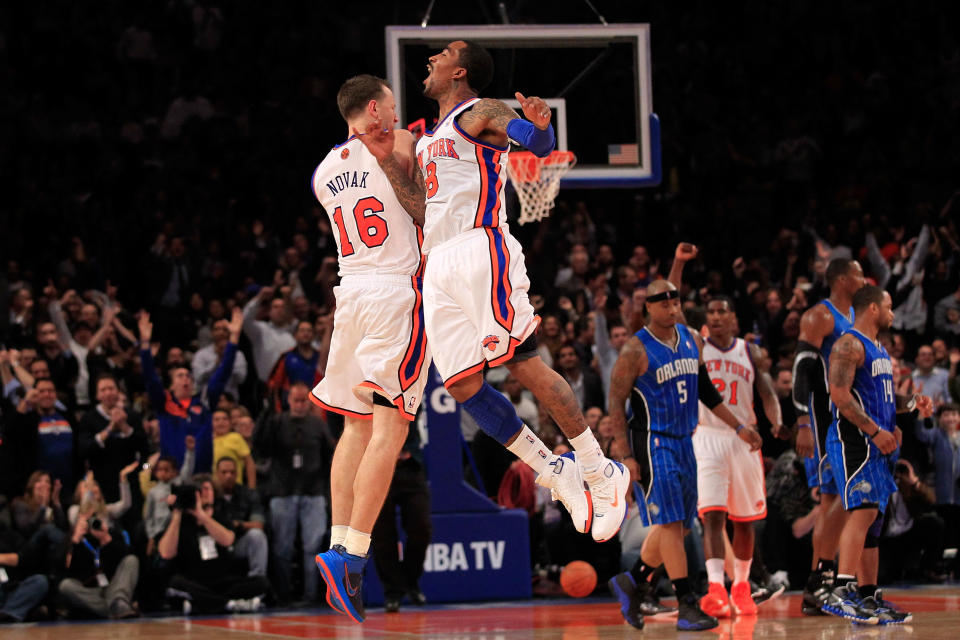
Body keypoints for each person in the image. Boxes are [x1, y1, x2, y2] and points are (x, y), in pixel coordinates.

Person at [360, 41, 627, 549]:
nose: (432, 57)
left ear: (460, 71)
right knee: (462, 386)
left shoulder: (479, 110)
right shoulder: (429, 138)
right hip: (438, 262)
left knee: (523, 363)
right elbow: (421, 209)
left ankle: (599, 468)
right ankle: (555, 470)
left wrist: (541, 128)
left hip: (481, 248)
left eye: (443, 53)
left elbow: (535, 144)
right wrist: (388, 164)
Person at [307, 74, 431, 623]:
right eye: (395, 107)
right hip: (394, 292)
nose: (400, 117)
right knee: (392, 427)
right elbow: (426, 212)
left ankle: (338, 546)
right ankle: (355, 554)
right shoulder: (401, 144)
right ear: (377, 108)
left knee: (355, 426)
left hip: (349, 293)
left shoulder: (323, 171)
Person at [606, 279, 763, 631]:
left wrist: (738, 426)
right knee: (673, 524)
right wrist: (625, 456)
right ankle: (687, 602)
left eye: (675, 300)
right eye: (663, 301)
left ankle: (632, 582)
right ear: (648, 307)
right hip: (653, 441)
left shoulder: (692, 340)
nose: (671, 306)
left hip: (686, 440)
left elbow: (705, 389)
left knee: (683, 527)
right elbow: (615, 403)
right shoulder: (635, 349)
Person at [821, 286, 933, 625]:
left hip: (877, 443)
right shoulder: (848, 344)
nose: (893, 313)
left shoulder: (881, 351)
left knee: (873, 523)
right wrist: (874, 430)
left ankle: (868, 596)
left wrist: (911, 406)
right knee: (863, 511)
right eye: (888, 307)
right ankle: (841, 590)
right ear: (872, 308)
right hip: (853, 440)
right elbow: (840, 395)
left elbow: (882, 398)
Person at [693, 296, 785, 617]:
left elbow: (767, 391)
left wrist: (776, 420)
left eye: (722, 311)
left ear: (734, 317)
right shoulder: (697, 345)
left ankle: (742, 587)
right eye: (711, 312)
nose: (716, 317)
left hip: (744, 439)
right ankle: (716, 587)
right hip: (707, 436)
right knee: (713, 516)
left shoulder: (750, 351)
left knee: (744, 521)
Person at [791, 257, 864, 614]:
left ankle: (821, 582)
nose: (864, 279)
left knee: (840, 501)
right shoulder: (820, 315)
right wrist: (803, 418)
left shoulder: (859, 316)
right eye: (859, 273)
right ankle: (819, 580)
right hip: (826, 418)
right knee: (831, 501)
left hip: (852, 418)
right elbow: (802, 367)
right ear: (841, 278)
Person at [255, 382, 334, 604]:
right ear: (289, 401)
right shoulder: (277, 423)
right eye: (296, 401)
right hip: (283, 492)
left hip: (313, 492)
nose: (299, 405)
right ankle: (284, 596)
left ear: (309, 402)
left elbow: (330, 458)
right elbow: (259, 446)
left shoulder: (318, 425)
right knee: (282, 549)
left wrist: (327, 493)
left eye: (303, 401)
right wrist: (266, 414)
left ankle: (310, 596)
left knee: (313, 547)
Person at [138, 307, 242, 472]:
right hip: (173, 477)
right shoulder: (164, 404)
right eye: (180, 376)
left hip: (202, 476)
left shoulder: (205, 401)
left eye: (188, 375)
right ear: (171, 385)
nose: (185, 378)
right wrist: (144, 345)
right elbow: (150, 378)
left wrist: (234, 338)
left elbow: (222, 374)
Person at [157, 474, 269, 614]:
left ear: (214, 493)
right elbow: (166, 553)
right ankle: (228, 604)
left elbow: (228, 540)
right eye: (200, 490)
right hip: (194, 581)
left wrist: (202, 516)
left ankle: (202, 605)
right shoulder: (180, 521)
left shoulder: (221, 516)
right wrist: (177, 513)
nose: (204, 493)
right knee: (175, 584)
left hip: (223, 580)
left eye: (207, 489)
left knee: (261, 583)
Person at [371, 421, 431, 613]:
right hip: (376, 467)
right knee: (382, 534)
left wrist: (403, 450)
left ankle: (410, 581)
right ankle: (393, 591)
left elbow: (412, 415)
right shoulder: (364, 392)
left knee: (421, 526)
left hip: (409, 465)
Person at [59, 509, 139, 619]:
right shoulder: (76, 542)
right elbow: (69, 572)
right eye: (87, 521)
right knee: (66, 585)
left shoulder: (113, 534)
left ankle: (116, 603)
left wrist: (106, 539)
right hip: (92, 592)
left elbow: (126, 558)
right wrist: (76, 541)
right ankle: (116, 607)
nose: (92, 524)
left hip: (114, 587)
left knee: (131, 560)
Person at [213, 457, 267, 578]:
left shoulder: (248, 494)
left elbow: (259, 524)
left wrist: (238, 525)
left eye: (232, 472)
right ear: (217, 474)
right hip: (216, 544)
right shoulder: (211, 494)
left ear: (237, 474)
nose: (228, 476)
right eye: (224, 472)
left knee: (257, 535)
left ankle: (257, 582)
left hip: (239, 542)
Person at [212, 409, 256, 488]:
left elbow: (249, 463)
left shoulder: (235, 437)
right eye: (217, 419)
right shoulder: (208, 442)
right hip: (215, 488)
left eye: (224, 419)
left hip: (235, 487)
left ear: (230, 423)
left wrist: (252, 488)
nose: (221, 422)